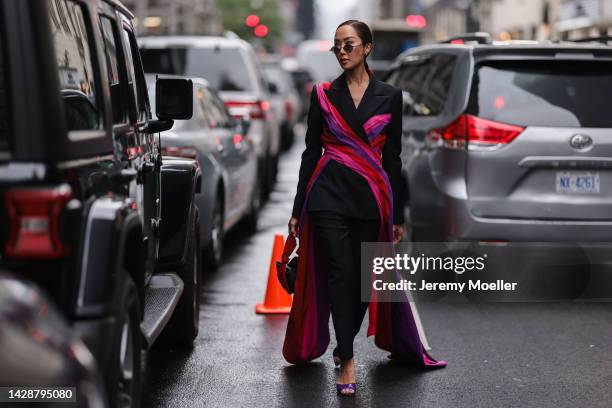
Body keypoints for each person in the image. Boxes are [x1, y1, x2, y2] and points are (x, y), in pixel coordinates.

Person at [284, 19, 446, 397]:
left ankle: (344, 344)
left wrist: (399, 215)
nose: (342, 52)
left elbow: (393, 159)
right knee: (340, 273)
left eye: (349, 45)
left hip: (373, 199)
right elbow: (310, 152)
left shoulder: (390, 96)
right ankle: (348, 358)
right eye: (337, 46)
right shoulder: (322, 94)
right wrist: (298, 207)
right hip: (327, 196)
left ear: (367, 48)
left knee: (362, 280)